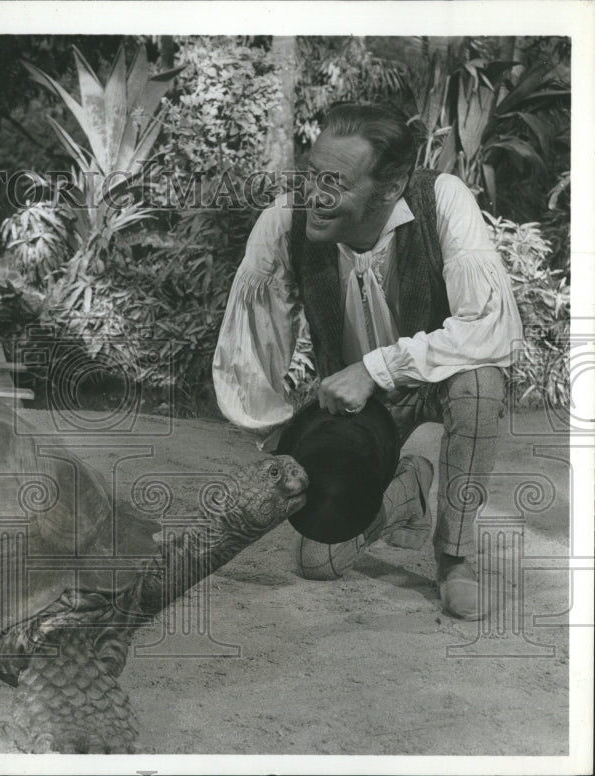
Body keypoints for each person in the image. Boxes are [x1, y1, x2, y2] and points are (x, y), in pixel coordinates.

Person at [212, 102, 523, 620]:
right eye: (312, 175)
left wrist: (375, 369)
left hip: (438, 384)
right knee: (320, 560)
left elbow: (490, 327)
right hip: (360, 417)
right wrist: (288, 438)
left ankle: (454, 558)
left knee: (481, 382)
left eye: (336, 182)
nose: (315, 194)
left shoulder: (442, 199)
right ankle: (407, 493)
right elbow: (250, 350)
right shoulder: (283, 223)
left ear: (391, 185)